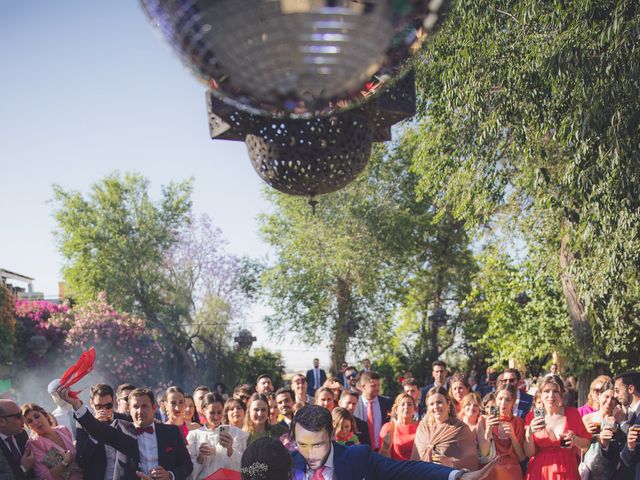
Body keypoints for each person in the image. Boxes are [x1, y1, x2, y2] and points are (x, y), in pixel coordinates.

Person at [291, 404, 498, 480]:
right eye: (303, 444)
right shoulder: (285, 464)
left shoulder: (357, 457)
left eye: (317, 444)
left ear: (331, 435)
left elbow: (407, 469)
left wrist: (458, 476)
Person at [57, 384, 193, 480]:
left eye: (144, 406)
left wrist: (170, 475)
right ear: (129, 409)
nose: (140, 411)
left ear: (154, 407)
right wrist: (77, 405)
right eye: (135, 407)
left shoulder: (171, 432)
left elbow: (187, 465)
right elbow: (95, 429)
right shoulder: (121, 428)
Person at [523, 375, 591, 480]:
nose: (551, 395)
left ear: (561, 394)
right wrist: (529, 433)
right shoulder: (532, 416)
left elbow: (586, 444)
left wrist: (575, 440)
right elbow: (529, 453)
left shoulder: (572, 413)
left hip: (567, 469)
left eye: (555, 391)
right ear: (540, 394)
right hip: (540, 471)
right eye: (546, 391)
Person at [412, 386, 482, 471]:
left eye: (439, 402)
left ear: (448, 404)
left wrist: (450, 462)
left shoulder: (461, 428)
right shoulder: (422, 427)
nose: (436, 407)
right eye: (432, 404)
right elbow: (414, 459)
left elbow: (471, 460)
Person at [187, 392, 249, 479]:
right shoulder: (194, 436)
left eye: (219, 412)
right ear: (204, 410)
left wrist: (230, 450)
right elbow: (189, 475)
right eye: (212, 413)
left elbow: (244, 468)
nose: (216, 417)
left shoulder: (236, 433)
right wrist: (200, 458)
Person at [76, 383, 128, 479]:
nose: (104, 410)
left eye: (108, 406)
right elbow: (81, 460)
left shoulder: (125, 420)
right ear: (91, 403)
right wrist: (94, 429)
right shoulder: (84, 424)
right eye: (99, 407)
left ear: (113, 402)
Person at [23, 403, 82, 480]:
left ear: (46, 416)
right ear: (28, 427)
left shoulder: (63, 430)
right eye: (30, 421)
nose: (35, 422)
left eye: (37, 416)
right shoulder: (33, 444)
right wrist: (65, 462)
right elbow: (43, 477)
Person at [580, 380, 623, 480]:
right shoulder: (587, 419)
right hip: (590, 470)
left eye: (613, 398)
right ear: (599, 396)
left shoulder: (619, 420)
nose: (609, 401)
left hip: (612, 471)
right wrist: (586, 433)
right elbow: (579, 449)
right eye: (606, 397)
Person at [482, 384, 525, 480]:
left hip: (512, 471)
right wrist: (488, 430)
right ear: (495, 400)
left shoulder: (518, 422)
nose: (503, 403)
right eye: (500, 398)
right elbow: (483, 452)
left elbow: (522, 457)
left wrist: (513, 436)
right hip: (491, 470)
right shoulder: (485, 420)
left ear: (513, 402)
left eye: (508, 400)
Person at [613, 371, 640, 479]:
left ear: (631, 389)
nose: (615, 395)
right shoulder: (628, 413)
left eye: (617, 390)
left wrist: (623, 423)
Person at [0, 399, 34, 479]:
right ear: (1, 421)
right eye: (18, 416)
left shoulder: (22, 434)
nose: (24, 420)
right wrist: (23, 468)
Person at [378, 393, 418, 461]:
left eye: (409, 404)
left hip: (417, 468)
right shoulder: (388, 427)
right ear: (396, 409)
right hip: (395, 468)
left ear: (414, 409)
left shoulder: (420, 427)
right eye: (403, 404)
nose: (406, 407)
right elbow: (382, 455)